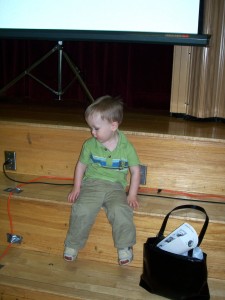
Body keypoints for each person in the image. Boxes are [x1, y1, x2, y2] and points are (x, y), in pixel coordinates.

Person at [64, 95, 140, 265]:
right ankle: (72, 245)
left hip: (116, 187)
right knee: (82, 208)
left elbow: (135, 172)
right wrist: (77, 188)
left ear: (114, 125)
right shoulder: (90, 145)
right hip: (92, 184)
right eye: (91, 128)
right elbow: (81, 166)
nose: (92, 132)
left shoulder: (127, 148)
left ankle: (124, 247)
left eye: (96, 128)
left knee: (120, 210)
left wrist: (132, 195)